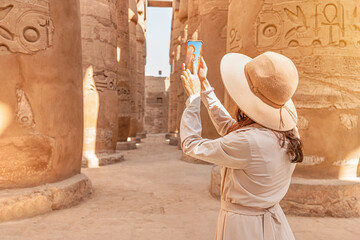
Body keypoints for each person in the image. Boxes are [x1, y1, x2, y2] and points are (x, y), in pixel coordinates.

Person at [180, 52, 303, 240]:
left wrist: (194, 99)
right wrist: (204, 86)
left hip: (243, 227)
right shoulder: (290, 131)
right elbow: (232, 129)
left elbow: (191, 144)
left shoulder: (249, 142)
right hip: (273, 222)